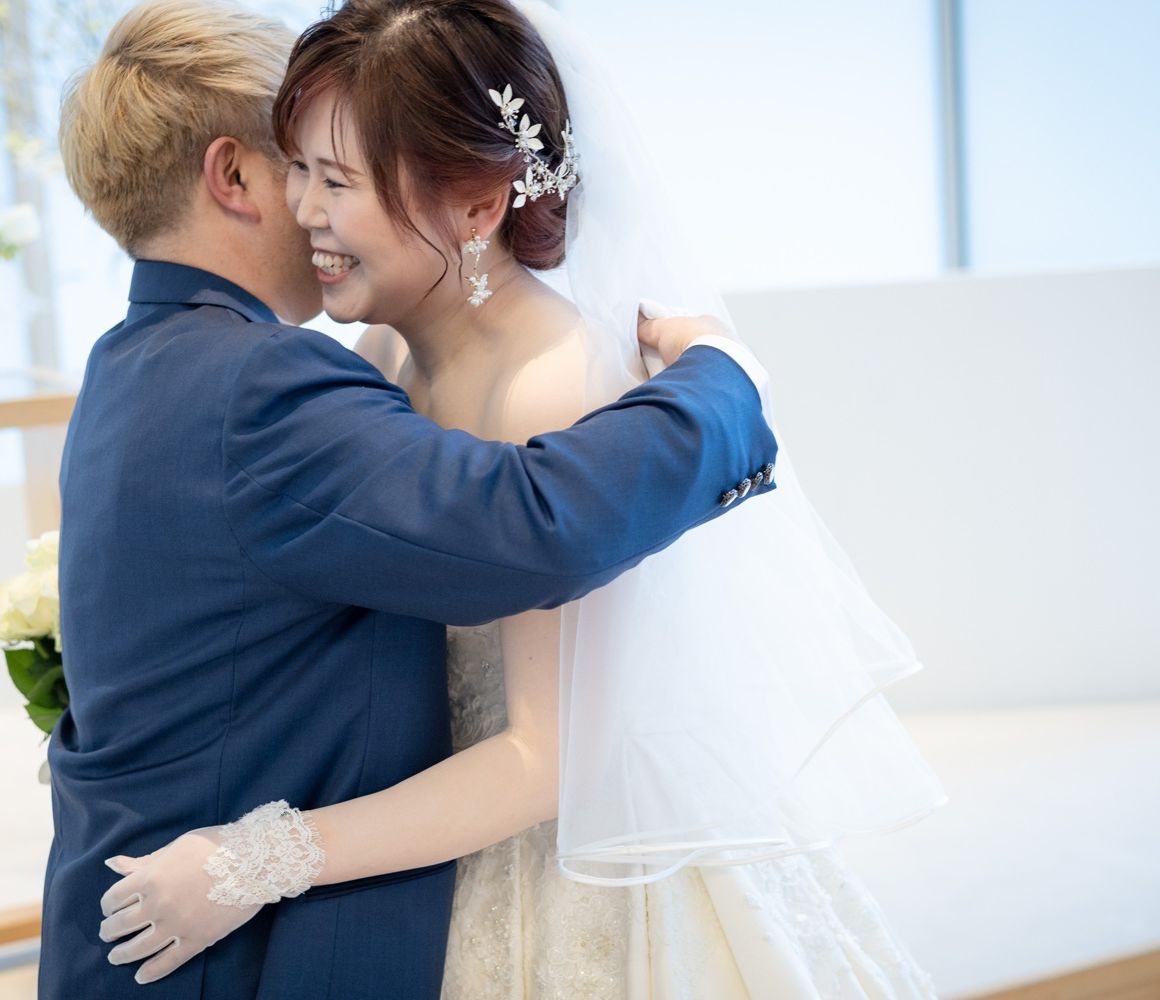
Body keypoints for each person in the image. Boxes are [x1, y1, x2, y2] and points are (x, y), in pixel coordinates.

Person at [98, 0, 947, 997]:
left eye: (338, 180)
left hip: (569, 864)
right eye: (298, 169)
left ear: (475, 203)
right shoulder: (376, 354)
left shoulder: (552, 381)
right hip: (426, 847)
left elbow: (548, 757)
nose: (305, 210)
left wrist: (259, 860)